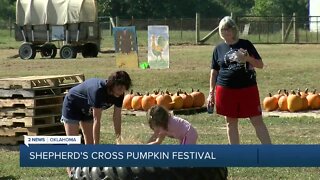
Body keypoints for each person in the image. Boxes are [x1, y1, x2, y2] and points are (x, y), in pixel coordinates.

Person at [208, 16, 271, 144]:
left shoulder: (245, 44)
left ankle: (269, 150)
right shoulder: (218, 49)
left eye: (229, 29)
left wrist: (248, 59)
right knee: (230, 122)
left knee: (256, 119)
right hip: (225, 90)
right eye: (223, 29)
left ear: (234, 30)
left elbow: (260, 64)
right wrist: (211, 93)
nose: (226, 32)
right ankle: (236, 154)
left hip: (247, 88)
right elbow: (214, 72)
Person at [61, 70, 132, 145]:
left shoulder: (120, 95)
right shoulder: (98, 91)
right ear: (112, 84)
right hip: (72, 105)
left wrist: (118, 140)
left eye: (124, 88)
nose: (121, 91)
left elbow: (117, 117)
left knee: (90, 144)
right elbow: (96, 120)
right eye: (119, 88)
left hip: (87, 110)